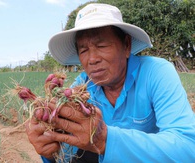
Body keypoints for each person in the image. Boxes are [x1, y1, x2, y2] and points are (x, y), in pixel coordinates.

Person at [26, 3, 195, 162]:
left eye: (102, 46)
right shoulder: (82, 87)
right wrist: (51, 149)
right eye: (84, 50)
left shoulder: (156, 72)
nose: (92, 59)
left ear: (126, 45)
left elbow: (188, 147)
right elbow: (70, 151)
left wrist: (106, 139)